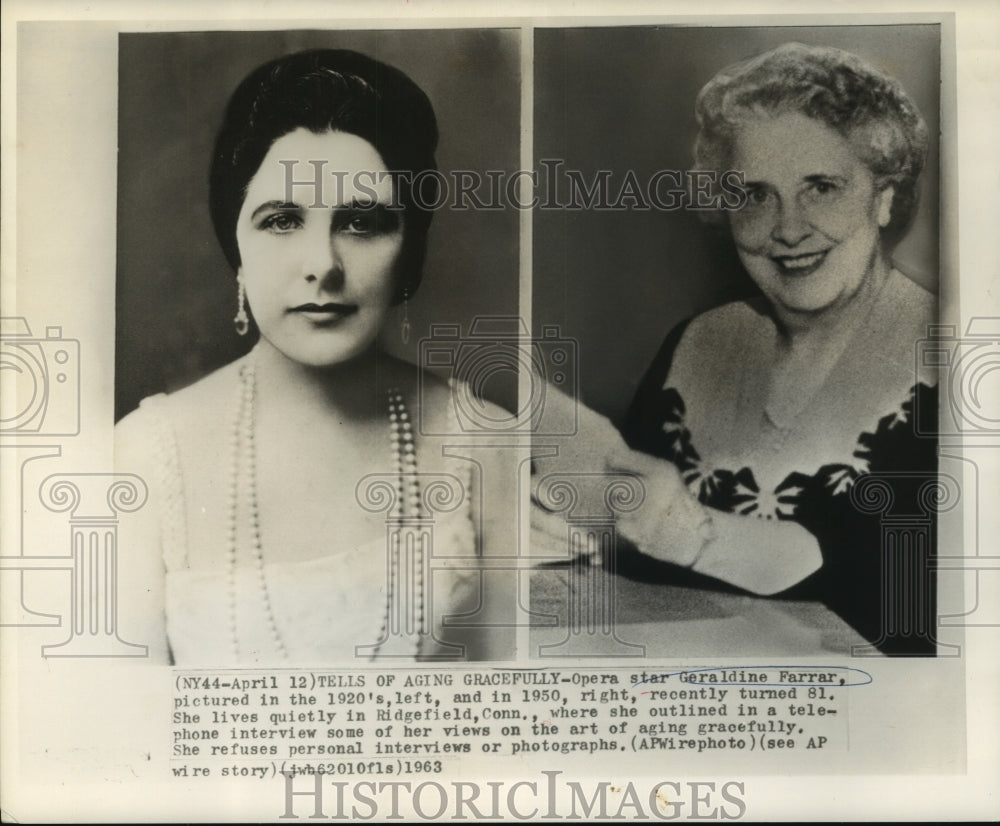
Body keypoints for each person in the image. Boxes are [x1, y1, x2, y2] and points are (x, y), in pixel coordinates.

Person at [535, 43, 938, 655]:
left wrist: (692, 534)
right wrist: (571, 526)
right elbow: (633, 549)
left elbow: (880, 580)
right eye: (754, 194)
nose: (788, 228)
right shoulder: (696, 342)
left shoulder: (957, 359)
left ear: (882, 198)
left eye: (821, 187)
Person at [115, 49, 514, 665]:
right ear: (236, 246)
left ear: (408, 251)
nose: (322, 265)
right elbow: (117, 717)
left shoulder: (488, 443)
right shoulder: (142, 458)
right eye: (282, 221)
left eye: (362, 222)